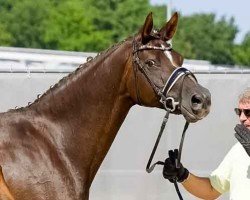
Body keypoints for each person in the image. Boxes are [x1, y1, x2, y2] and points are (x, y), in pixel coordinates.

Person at [163, 87, 250, 200]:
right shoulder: (239, 149)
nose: (242, 118)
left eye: (248, 112)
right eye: (239, 112)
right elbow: (211, 190)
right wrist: (182, 174)